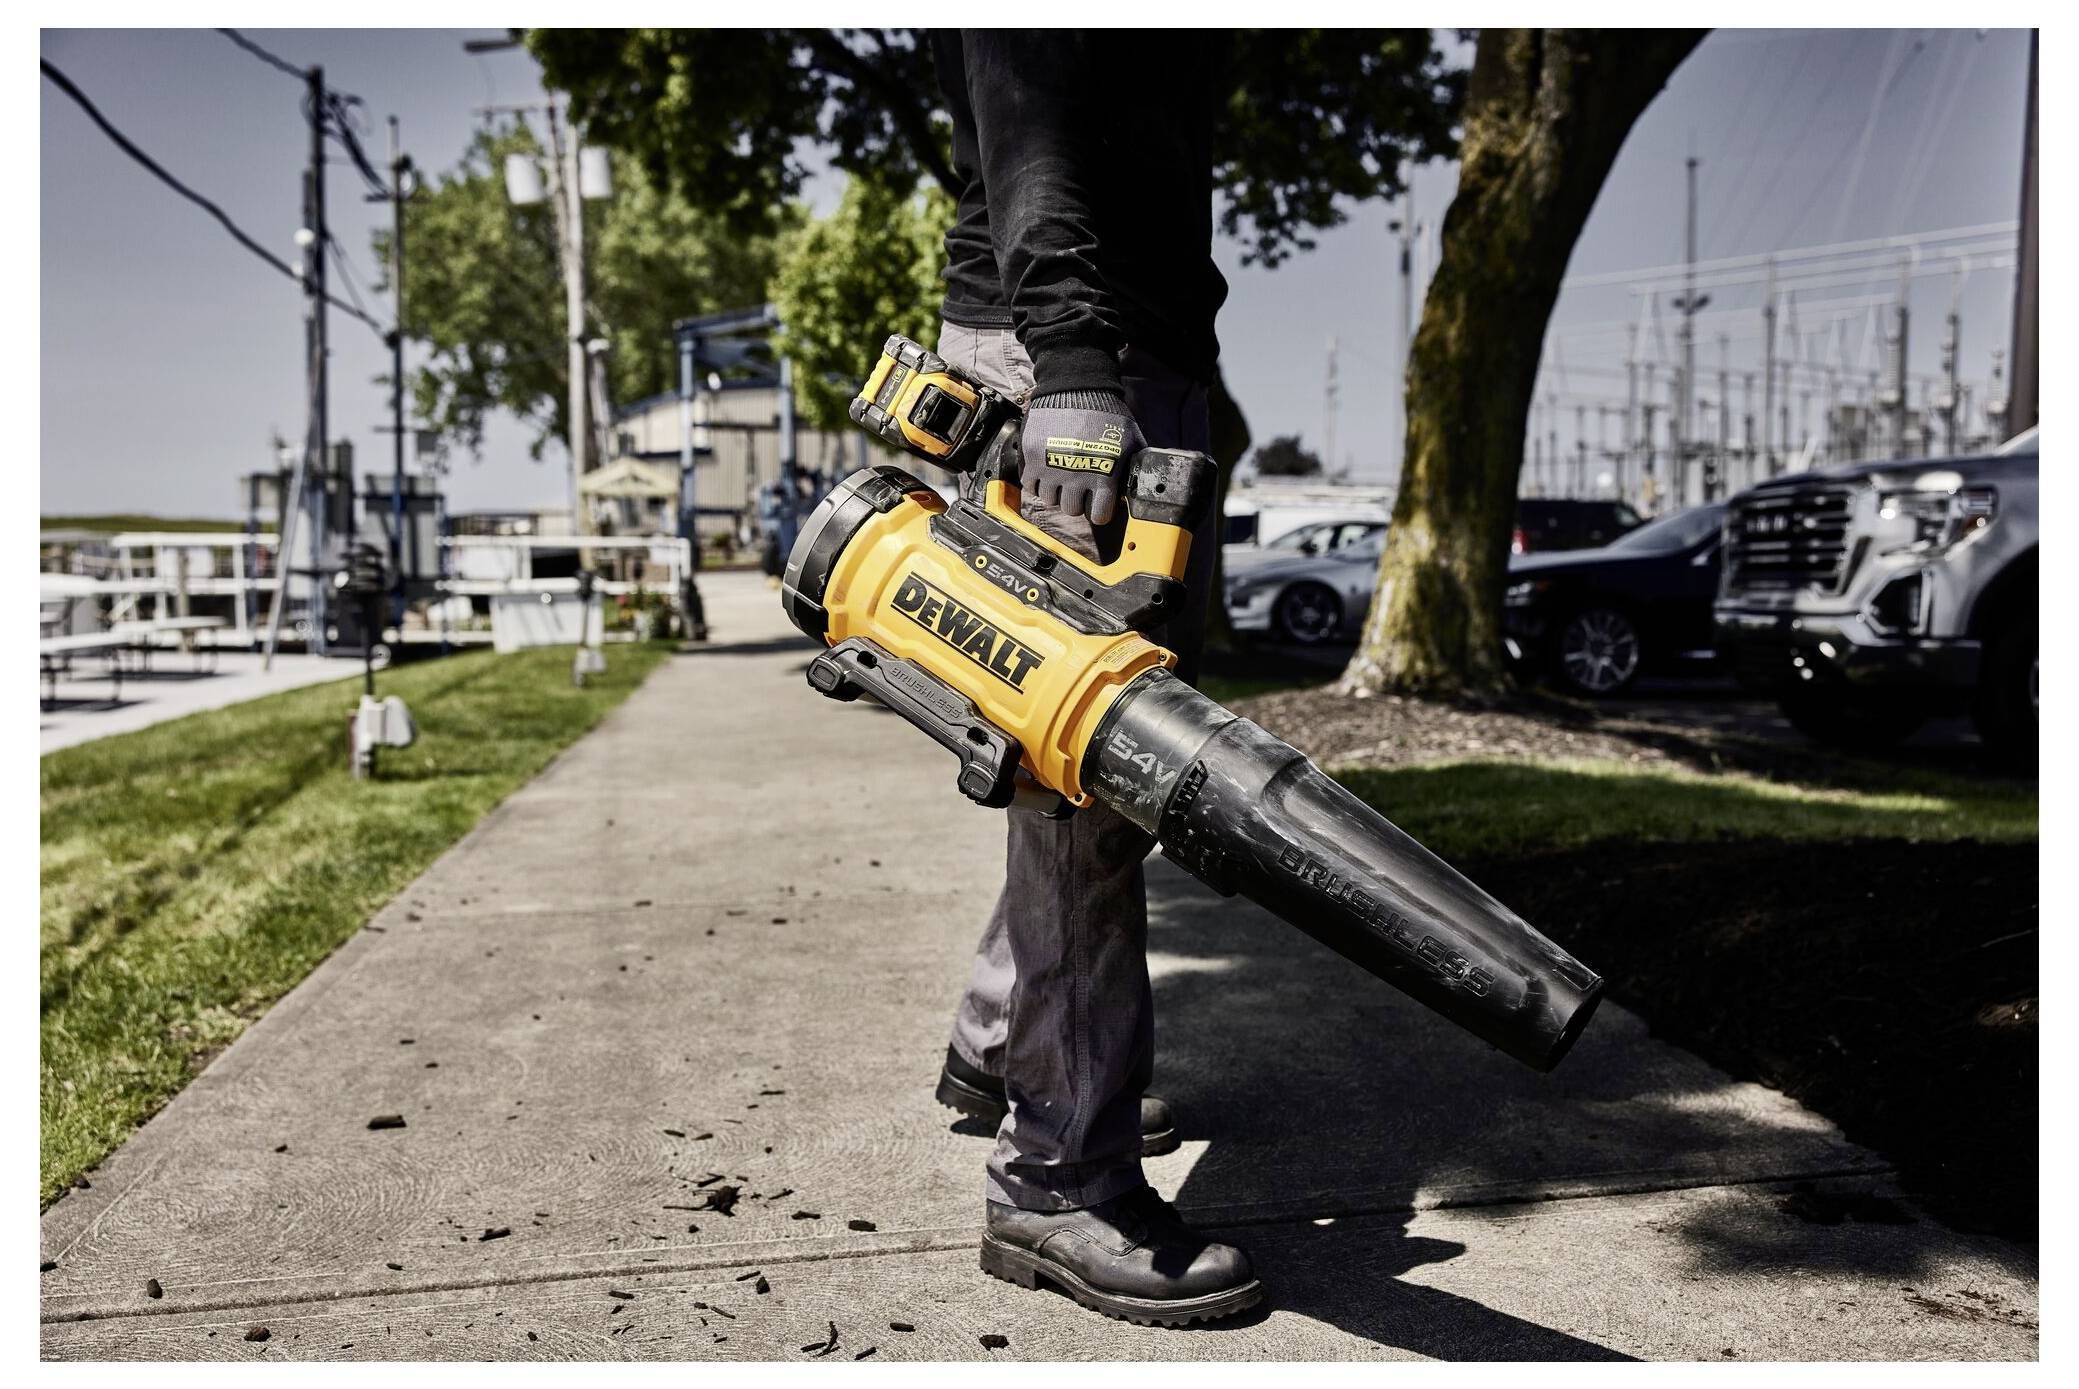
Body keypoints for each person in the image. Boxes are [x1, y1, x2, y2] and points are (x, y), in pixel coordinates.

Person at [925, 30, 1261, 1325]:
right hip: (1073, 353)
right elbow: (1029, 106)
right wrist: (1072, 366)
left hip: (1120, 342)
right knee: (1089, 765)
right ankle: (1058, 1177)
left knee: (1075, 759)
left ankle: (1004, 1042)